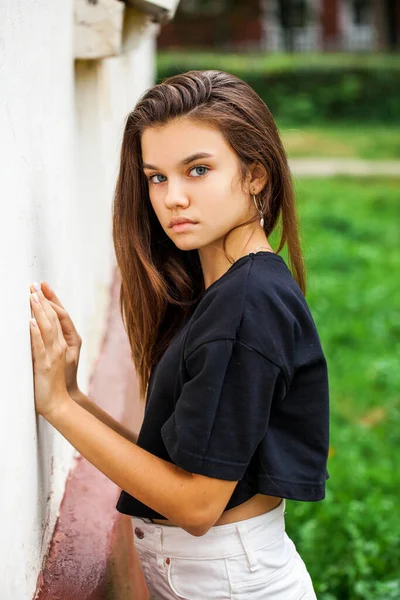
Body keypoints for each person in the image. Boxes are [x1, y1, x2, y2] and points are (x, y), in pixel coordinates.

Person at [29, 70, 329, 599]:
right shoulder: (222, 292)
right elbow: (170, 466)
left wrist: (58, 407)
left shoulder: (245, 304)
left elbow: (195, 505)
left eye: (198, 170)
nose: (173, 198)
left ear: (255, 174)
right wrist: (74, 395)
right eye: (156, 177)